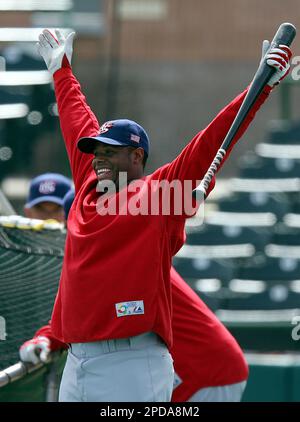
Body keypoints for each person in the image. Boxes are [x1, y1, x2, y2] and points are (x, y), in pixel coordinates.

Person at [31, 28, 291, 402]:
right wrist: (61, 70)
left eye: (110, 151)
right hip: (77, 360)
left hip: (133, 361)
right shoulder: (89, 183)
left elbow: (209, 143)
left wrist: (258, 91)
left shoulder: (157, 195)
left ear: (136, 157)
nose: (99, 158)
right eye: (97, 152)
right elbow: (76, 121)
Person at [20, 191, 248, 402]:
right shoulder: (99, 257)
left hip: (205, 371)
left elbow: (88, 316)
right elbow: (77, 315)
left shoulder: (115, 258)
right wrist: (45, 338)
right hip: (199, 366)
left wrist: (47, 337)